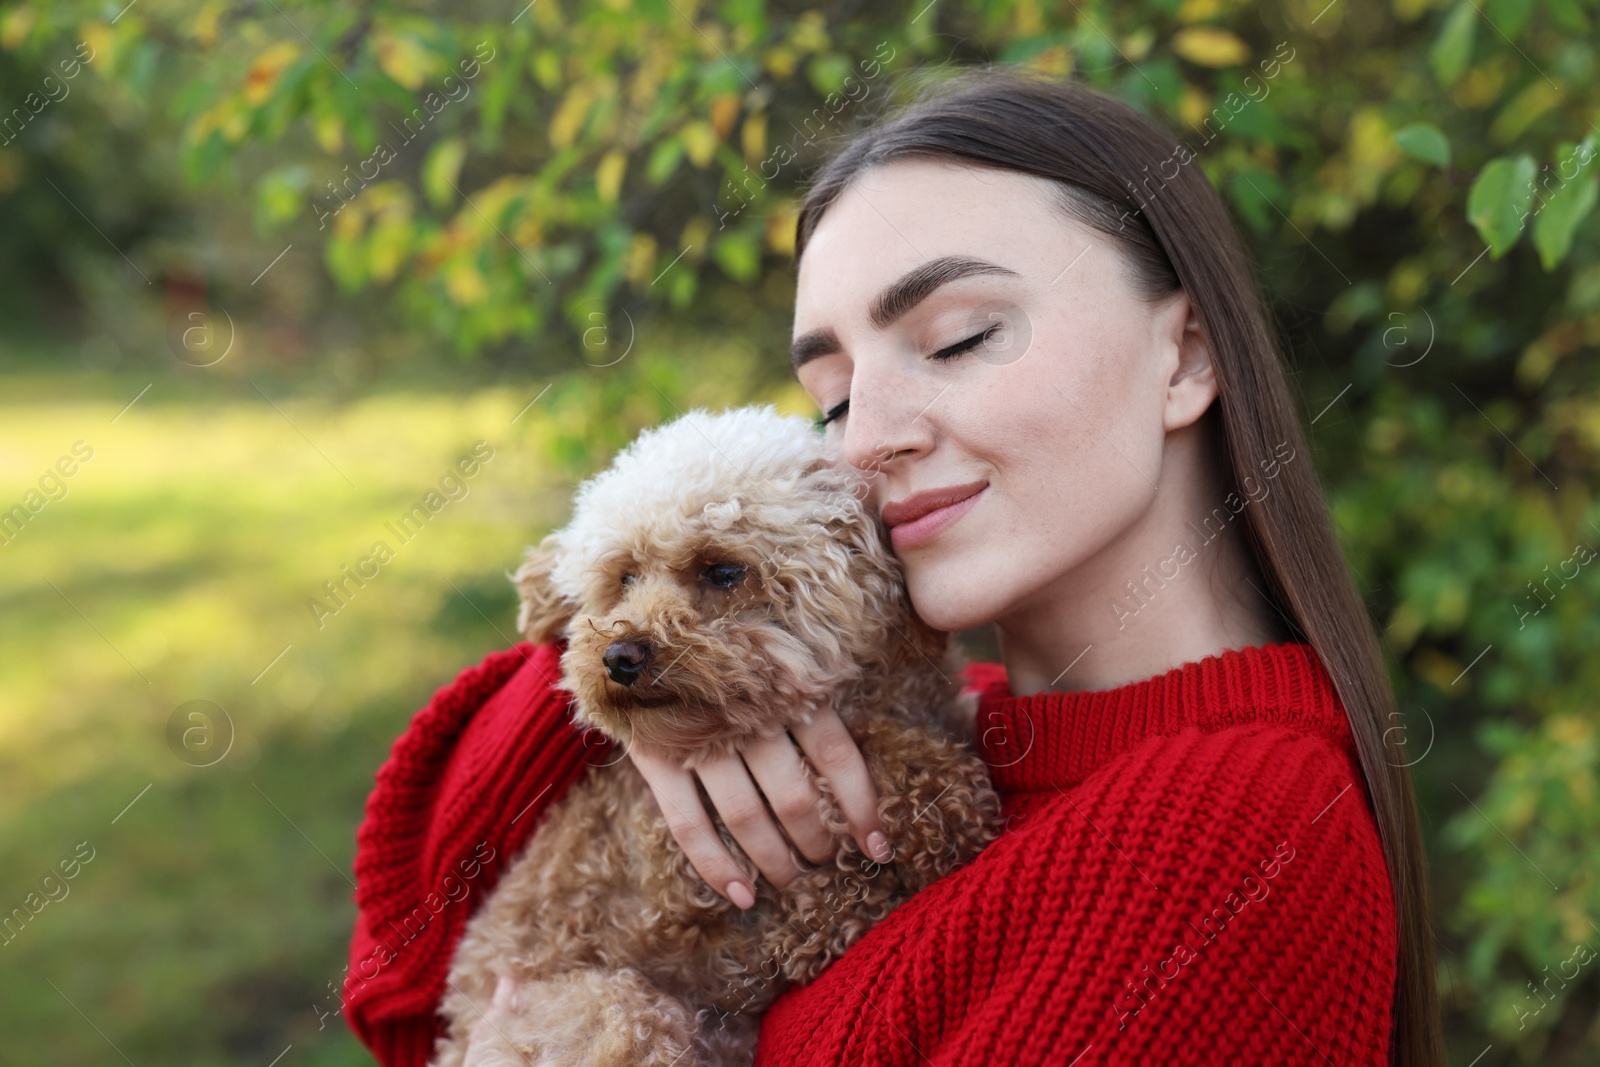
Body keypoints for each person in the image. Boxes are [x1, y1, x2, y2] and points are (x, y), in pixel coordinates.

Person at [343, 70, 1443, 1066]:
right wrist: (639, 699)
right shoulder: (930, 727)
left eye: (960, 335)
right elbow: (407, 964)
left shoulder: (1229, 831)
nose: (864, 436)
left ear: (1186, 355)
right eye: (830, 392)